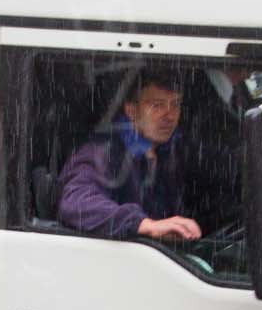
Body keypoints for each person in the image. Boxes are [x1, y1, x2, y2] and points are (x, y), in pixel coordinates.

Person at [57, 68, 201, 241]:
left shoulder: (172, 149)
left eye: (175, 104)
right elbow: (76, 203)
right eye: (157, 105)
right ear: (131, 111)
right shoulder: (102, 151)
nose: (169, 115)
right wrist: (143, 224)